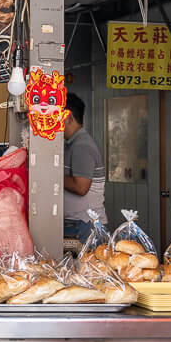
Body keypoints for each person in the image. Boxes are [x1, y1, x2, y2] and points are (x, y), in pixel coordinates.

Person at [62, 93, 106, 243]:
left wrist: (53, 175)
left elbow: (81, 187)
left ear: (68, 117)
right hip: (78, 224)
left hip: (85, 225)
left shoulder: (82, 146)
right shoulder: (71, 143)